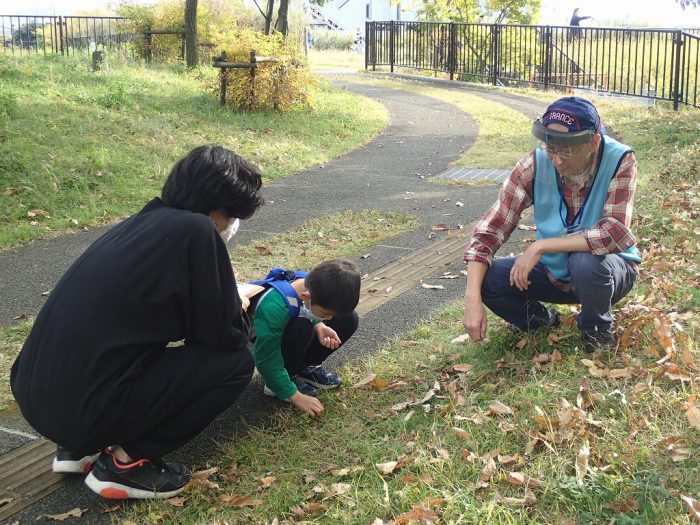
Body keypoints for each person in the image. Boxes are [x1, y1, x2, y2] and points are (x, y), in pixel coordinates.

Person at [10, 145, 264, 499]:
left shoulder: (141, 222)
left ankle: (78, 449)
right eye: (232, 214)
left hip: (36, 396)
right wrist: (232, 302)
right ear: (219, 208)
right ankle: (125, 465)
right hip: (82, 410)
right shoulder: (197, 230)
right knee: (235, 365)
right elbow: (227, 338)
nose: (231, 225)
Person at [462, 97, 640, 353]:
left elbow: (615, 233)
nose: (557, 160)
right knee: (488, 280)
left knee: (585, 261)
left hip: (608, 272)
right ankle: (542, 321)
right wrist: (471, 298)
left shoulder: (620, 160)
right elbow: (490, 231)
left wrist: (541, 246)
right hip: (554, 273)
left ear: (593, 142)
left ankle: (595, 332)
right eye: (551, 149)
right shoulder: (533, 165)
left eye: (567, 151)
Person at [250, 259, 361, 417]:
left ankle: (307, 368)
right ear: (305, 296)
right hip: (266, 340)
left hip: (292, 322)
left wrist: (320, 325)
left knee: (349, 318)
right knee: (302, 327)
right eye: (325, 314)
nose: (328, 318)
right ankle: (280, 382)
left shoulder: (314, 286)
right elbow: (265, 357)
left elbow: (305, 309)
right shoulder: (274, 307)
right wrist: (294, 396)